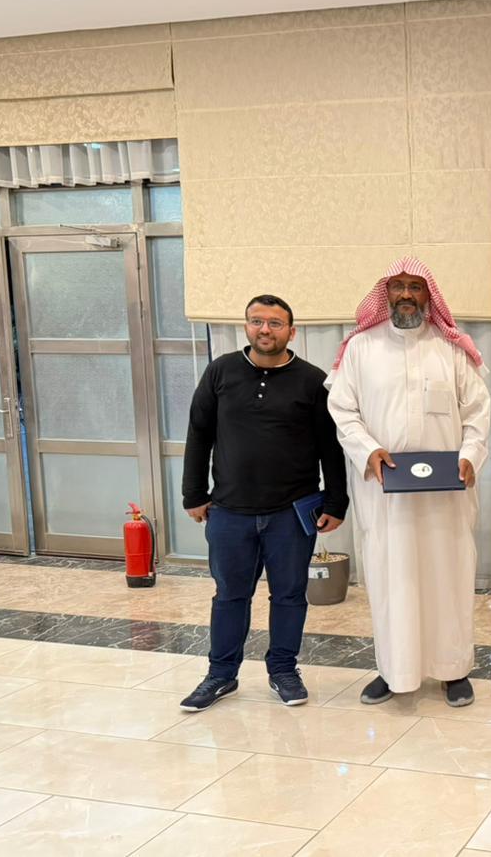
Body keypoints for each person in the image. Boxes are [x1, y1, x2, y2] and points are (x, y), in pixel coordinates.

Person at [325, 257, 491, 708]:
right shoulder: (361, 348)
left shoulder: (451, 348)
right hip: (387, 494)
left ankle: (454, 670)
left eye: (415, 287)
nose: (405, 295)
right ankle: (394, 670)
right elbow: (342, 410)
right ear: (385, 294)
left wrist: (470, 455)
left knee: (448, 576)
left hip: (446, 495)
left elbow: (478, 411)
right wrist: (367, 450)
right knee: (391, 579)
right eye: (397, 286)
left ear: (427, 294)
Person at [179, 294, 348, 711]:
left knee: (289, 595)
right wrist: (193, 493)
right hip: (229, 511)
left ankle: (284, 670)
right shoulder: (220, 371)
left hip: (291, 513)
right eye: (257, 321)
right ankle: (221, 675)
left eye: (275, 323)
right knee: (229, 596)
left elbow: (330, 446)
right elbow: (199, 433)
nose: (265, 330)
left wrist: (336, 501)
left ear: (291, 331)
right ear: (246, 327)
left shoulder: (312, 381)